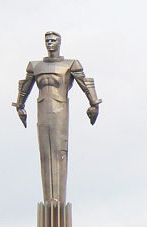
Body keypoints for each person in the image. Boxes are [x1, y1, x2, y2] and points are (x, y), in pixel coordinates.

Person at [14, 31, 101, 203]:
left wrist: (94, 103)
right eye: (47, 40)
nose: (50, 43)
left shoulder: (70, 64)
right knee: (45, 152)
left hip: (60, 109)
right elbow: (25, 87)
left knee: (60, 150)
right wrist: (20, 106)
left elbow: (85, 84)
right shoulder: (35, 66)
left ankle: (58, 199)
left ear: (59, 42)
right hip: (43, 108)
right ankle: (49, 199)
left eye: (53, 40)